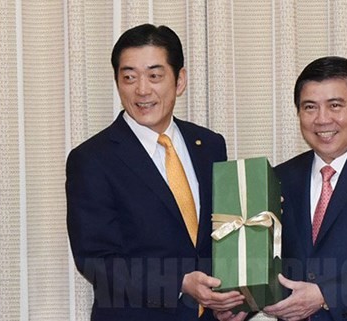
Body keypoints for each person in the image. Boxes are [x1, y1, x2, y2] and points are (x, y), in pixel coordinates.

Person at [216, 56, 347, 321]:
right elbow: (269, 264)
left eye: (335, 105)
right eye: (310, 107)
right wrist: (242, 302)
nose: (322, 119)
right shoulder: (278, 177)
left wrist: (325, 295)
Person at [66, 24, 243, 321]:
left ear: (180, 80)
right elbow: (96, 261)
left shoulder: (209, 145)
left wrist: (238, 302)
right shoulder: (92, 159)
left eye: (154, 75)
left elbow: (224, 235)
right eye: (129, 77)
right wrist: (180, 282)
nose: (142, 89)